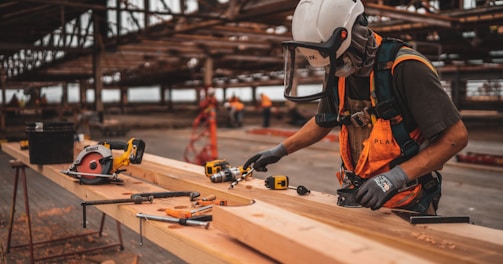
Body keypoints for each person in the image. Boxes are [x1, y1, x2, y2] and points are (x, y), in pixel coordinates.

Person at [243, 0, 468, 215]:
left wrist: (395, 177)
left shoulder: (406, 68)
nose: (335, 68)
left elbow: (455, 137)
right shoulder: (338, 69)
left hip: (408, 200)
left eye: (338, 60)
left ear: (356, 34)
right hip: (360, 196)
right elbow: (324, 121)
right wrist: (280, 150)